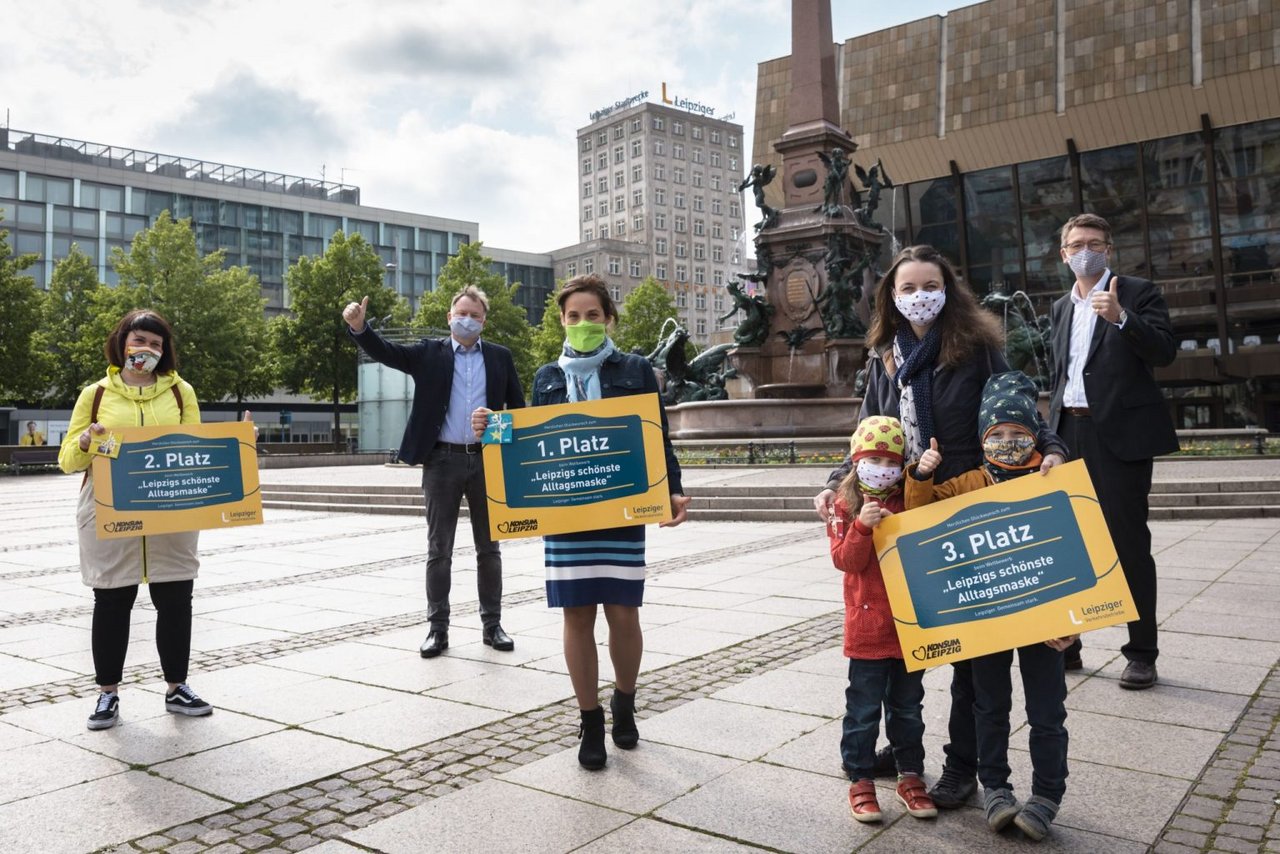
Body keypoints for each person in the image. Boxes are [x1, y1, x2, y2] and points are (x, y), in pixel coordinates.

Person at [812, 244, 1067, 809]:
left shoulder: (974, 348)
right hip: (906, 505)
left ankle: (961, 765)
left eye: (929, 284)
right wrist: (837, 479)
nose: (918, 295)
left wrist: (1049, 447)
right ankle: (907, 746)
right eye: (906, 288)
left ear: (948, 289)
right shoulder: (886, 356)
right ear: (892, 298)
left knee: (972, 644)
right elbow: (867, 429)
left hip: (963, 500)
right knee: (918, 634)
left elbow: (1017, 406)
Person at [490, 274, 689, 770]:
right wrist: (489, 427)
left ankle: (625, 701)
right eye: (573, 316)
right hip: (566, 513)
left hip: (622, 507)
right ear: (562, 320)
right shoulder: (546, 377)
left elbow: (656, 431)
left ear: (608, 318)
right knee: (576, 614)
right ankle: (590, 719)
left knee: (624, 611)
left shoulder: (637, 369)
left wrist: (674, 488)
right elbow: (532, 441)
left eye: (592, 315)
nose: (583, 324)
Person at [905, 371, 1076, 842]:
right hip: (987, 619)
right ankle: (995, 787)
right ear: (981, 438)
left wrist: (1074, 622)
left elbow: (1077, 551)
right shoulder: (967, 482)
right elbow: (920, 513)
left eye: (1017, 434)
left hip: (1044, 619)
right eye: (995, 435)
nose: (1006, 443)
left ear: (1034, 436)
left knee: (1047, 710)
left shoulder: (1051, 480)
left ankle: (1046, 795)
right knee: (989, 704)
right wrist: (921, 474)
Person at [343, 287, 525, 658]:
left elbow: (519, 415)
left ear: (484, 320)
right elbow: (387, 353)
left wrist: (497, 423)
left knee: (489, 549)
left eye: (475, 315)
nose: (468, 319)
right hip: (441, 461)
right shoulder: (429, 352)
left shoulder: (500, 358)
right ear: (449, 316)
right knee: (438, 549)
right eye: (462, 313)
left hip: (487, 461)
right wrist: (361, 329)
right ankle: (437, 629)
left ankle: (493, 625)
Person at [58, 309, 212, 730]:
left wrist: (235, 450)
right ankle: (107, 693)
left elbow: (194, 448)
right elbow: (68, 460)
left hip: (171, 509)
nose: (147, 349)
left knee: (176, 599)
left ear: (165, 353)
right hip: (109, 509)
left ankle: (177, 687)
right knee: (111, 600)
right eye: (140, 340)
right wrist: (87, 440)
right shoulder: (95, 394)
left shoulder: (181, 394)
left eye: (156, 344)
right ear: (123, 343)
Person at [1048, 212, 1178, 689]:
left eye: (1096, 243)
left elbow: (1164, 352)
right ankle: (1070, 644)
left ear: (1109, 250)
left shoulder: (1137, 292)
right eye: (1078, 244)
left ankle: (1141, 653)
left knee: (1127, 545)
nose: (1087, 250)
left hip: (1118, 438)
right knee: (1070, 544)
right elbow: (1059, 376)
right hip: (1069, 433)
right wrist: (1050, 438)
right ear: (1064, 254)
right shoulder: (1061, 307)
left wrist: (1121, 318)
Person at [828, 414, 936, 824]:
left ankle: (910, 774)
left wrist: (921, 475)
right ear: (857, 461)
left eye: (890, 460)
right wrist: (860, 527)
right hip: (868, 628)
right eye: (872, 459)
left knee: (908, 706)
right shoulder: (844, 501)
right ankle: (859, 777)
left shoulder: (906, 496)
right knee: (863, 708)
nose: (882, 468)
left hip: (910, 626)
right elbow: (845, 561)